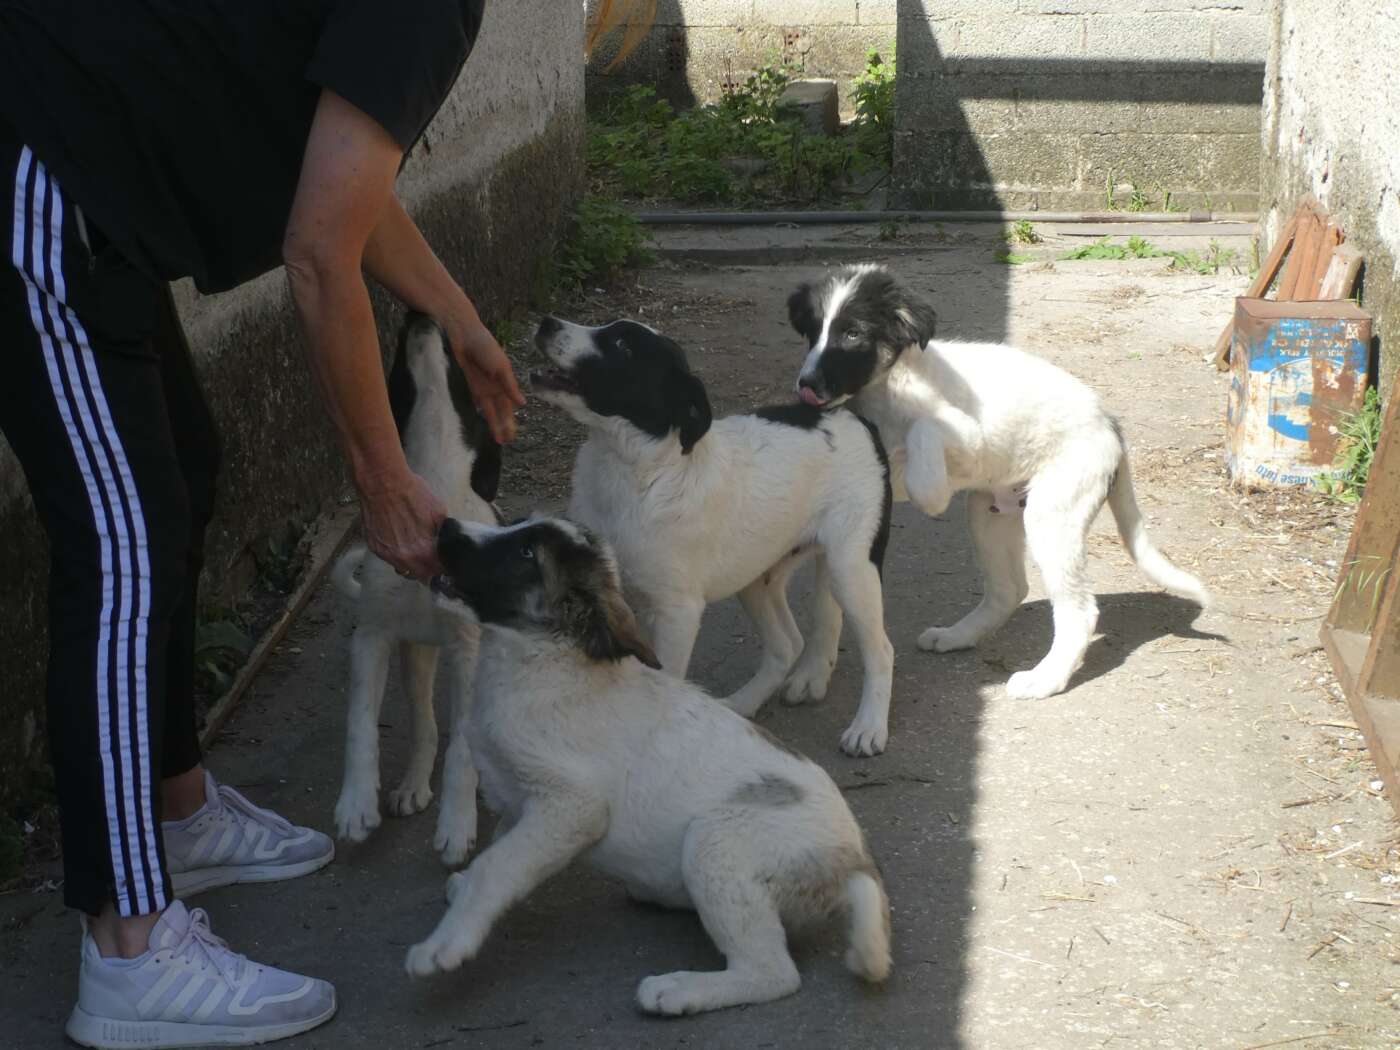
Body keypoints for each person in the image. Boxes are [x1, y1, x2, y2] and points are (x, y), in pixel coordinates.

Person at [0, 2, 531, 1047]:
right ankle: (129, 948)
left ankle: (177, 812)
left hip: (90, 183)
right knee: (121, 550)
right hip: (39, 178)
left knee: (180, 471)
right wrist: (382, 482)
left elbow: (339, 180)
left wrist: (459, 320)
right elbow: (320, 252)